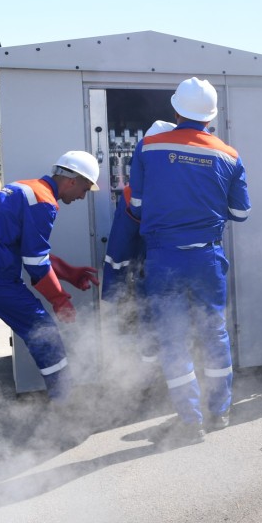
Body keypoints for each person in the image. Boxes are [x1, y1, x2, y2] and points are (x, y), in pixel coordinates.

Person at [0, 151, 101, 447]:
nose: (83, 196)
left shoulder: (23, 188)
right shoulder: (44, 203)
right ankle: (66, 413)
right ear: (71, 180)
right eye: (85, 188)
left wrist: (69, 272)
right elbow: (36, 265)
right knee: (45, 335)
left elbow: (31, 249)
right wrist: (60, 299)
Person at [130, 77, 250, 444]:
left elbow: (135, 206)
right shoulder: (229, 154)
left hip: (164, 255)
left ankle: (190, 419)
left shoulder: (148, 145)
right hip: (207, 257)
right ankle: (220, 411)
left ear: (176, 109)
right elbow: (240, 212)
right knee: (214, 333)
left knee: (173, 339)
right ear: (211, 116)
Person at [102, 120, 176, 370]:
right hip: (197, 267)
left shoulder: (131, 196)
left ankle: (151, 377)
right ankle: (183, 375)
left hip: (154, 270)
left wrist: (111, 292)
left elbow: (119, 248)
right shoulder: (190, 188)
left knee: (150, 319)